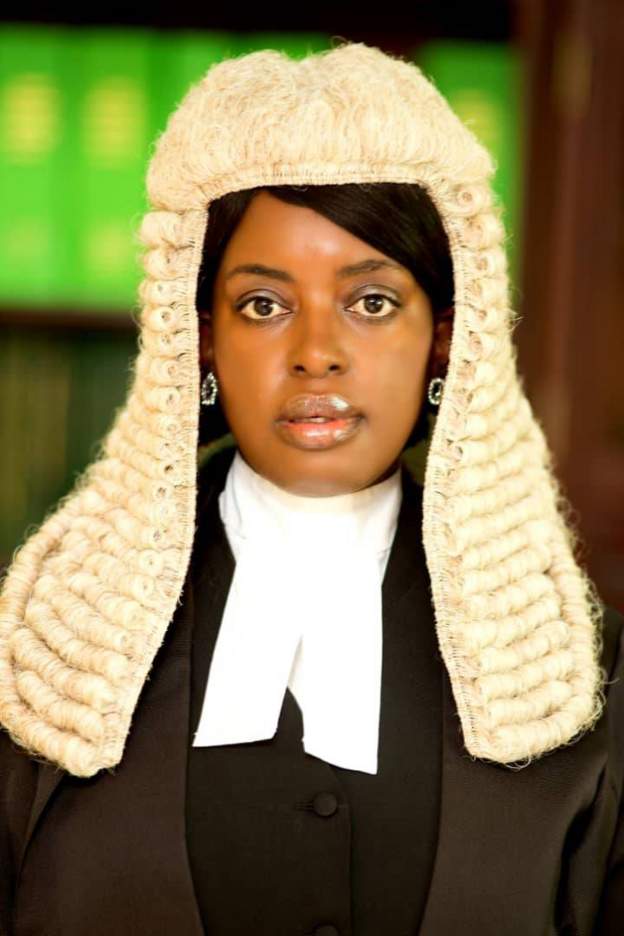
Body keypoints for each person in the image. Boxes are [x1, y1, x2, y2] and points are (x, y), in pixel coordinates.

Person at [0, 41, 622, 936]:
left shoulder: (579, 675)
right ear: (199, 336)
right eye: (264, 305)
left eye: (371, 302)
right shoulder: (42, 654)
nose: (316, 353)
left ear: (446, 338)